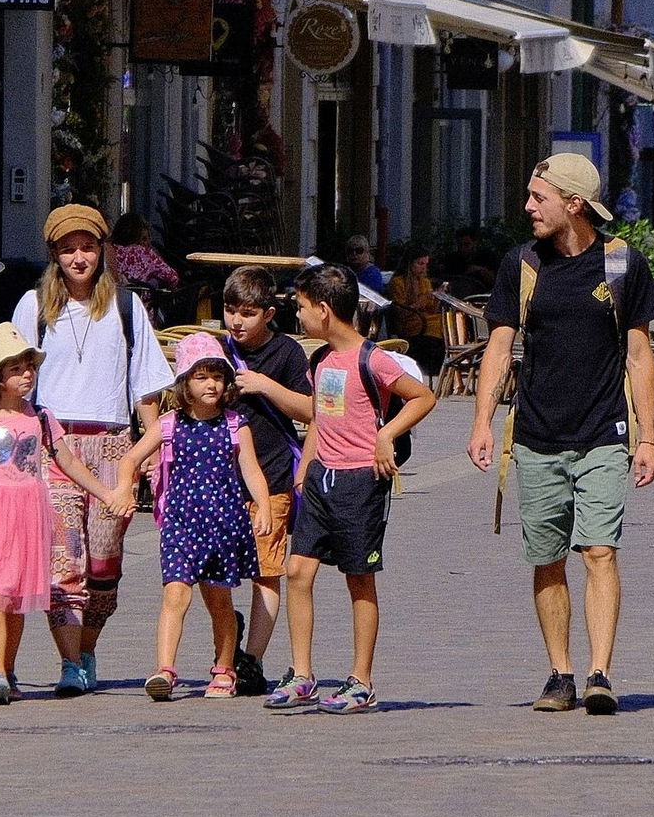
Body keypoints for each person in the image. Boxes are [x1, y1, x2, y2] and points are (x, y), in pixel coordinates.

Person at [467, 153, 654, 716]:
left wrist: (649, 437)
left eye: (539, 197)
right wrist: (481, 423)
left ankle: (600, 673)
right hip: (535, 435)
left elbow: (639, 355)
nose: (528, 206)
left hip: (603, 433)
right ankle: (561, 673)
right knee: (548, 558)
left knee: (599, 551)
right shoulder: (522, 263)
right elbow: (499, 349)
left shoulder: (622, 264)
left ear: (574, 204)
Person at [11, 205, 172, 696]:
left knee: (104, 564)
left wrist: (151, 451)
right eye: (67, 249)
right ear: (54, 255)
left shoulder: (126, 306)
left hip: (112, 445)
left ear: (102, 250)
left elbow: (146, 387)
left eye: (86, 247)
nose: (78, 258)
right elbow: (11, 380)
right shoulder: (33, 306)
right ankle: (68, 664)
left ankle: (85, 648)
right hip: (53, 445)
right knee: (64, 562)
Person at [265, 264, 436, 714]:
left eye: (301, 307)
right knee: (297, 572)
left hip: (361, 483)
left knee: (359, 580)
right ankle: (302, 674)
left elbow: (423, 397)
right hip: (321, 479)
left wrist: (386, 435)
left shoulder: (372, 359)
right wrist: (305, 468)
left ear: (324, 310)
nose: (298, 316)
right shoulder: (320, 359)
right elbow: (321, 415)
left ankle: (361, 681)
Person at [0, 323, 119, 705]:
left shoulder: (40, 417)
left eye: (30, 367)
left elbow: (67, 461)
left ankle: (6, 670)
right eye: (16, 368)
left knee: (16, 597)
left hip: (27, 514)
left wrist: (105, 493)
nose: (27, 375)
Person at [104, 334, 272, 700]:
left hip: (223, 526)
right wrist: (124, 488)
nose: (211, 384)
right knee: (175, 595)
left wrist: (264, 506)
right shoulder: (169, 424)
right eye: (201, 377)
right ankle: (164, 670)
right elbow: (131, 459)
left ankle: (225, 668)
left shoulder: (235, 424)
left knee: (219, 602)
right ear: (185, 383)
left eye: (218, 376)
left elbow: (252, 470)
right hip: (180, 525)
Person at [208, 266, 313, 693]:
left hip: (271, 478)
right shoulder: (217, 350)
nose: (237, 321)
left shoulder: (288, 353)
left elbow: (310, 411)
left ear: (268, 314)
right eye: (231, 310)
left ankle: (251, 659)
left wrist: (264, 385)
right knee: (215, 571)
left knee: (267, 571)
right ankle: (228, 636)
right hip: (218, 482)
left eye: (248, 313)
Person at [385, 249, 446, 372]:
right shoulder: (398, 282)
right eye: (420, 263)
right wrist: (418, 303)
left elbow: (432, 310)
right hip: (408, 323)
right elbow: (400, 313)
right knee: (438, 325)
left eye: (426, 264)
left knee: (446, 320)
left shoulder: (425, 282)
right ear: (409, 264)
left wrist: (438, 297)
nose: (424, 268)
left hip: (424, 318)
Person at [108, 213, 180, 291]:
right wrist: (155, 281)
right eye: (144, 239)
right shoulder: (144, 254)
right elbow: (172, 278)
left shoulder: (108, 250)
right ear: (134, 236)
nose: (148, 243)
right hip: (139, 297)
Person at [438, 227, 499, 294]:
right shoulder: (452, 258)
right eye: (460, 245)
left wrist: (480, 270)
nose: (463, 248)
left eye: (466, 245)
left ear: (475, 243)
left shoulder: (487, 256)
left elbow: (494, 280)